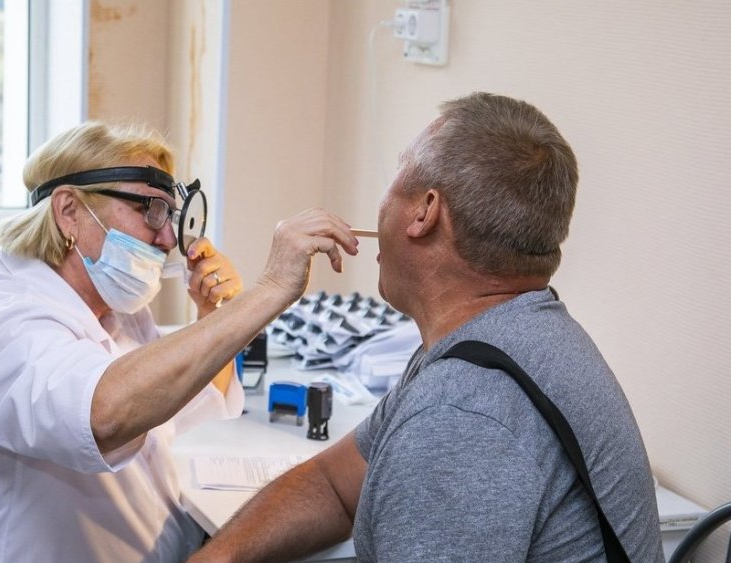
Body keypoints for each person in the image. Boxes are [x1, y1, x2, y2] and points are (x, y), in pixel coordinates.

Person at [189, 93, 665, 562]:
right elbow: (334, 486)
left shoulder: (460, 414)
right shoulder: (508, 334)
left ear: (425, 212)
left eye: (396, 174)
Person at [0, 121, 360, 562]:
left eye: (171, 214)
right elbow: (104, 415)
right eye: (149, 209)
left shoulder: (118, 315)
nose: (167, 237)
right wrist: (269, 291)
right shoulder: (0, 319)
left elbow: (189, 406)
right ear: (69, 212)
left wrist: (213, 315)